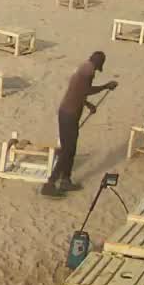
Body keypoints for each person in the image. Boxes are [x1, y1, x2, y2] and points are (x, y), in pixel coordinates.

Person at [43, 51, 117, 197]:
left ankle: (65, 180)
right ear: (98, 64)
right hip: (69, 115)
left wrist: (88, 105)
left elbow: (77, 91)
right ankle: (50, 184)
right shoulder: (88, 72)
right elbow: (86, 90)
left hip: (66, 112)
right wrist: (105, 86)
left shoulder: (83, 67)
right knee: (67, 150)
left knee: (70, 149)